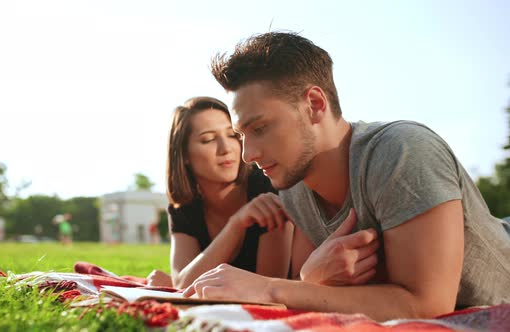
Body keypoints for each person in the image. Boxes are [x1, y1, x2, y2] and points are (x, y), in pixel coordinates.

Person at [183, 32, 510, 320]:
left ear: (314, 104)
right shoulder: (294, 188)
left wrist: (271, 289)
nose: (247, 155)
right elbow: (318, 293)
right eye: (243, 135)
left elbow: (427, 307)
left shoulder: (402, 152)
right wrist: (310, 278)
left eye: (260, 128)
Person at [147, 96, 379, 289]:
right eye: (208, 140)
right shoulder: (185, 206)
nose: (226, 148)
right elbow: (182, 283)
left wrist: (187, 281)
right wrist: (236, 225)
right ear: (184, 155)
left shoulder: (267, 185)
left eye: (232, 135)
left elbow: (265, 287)